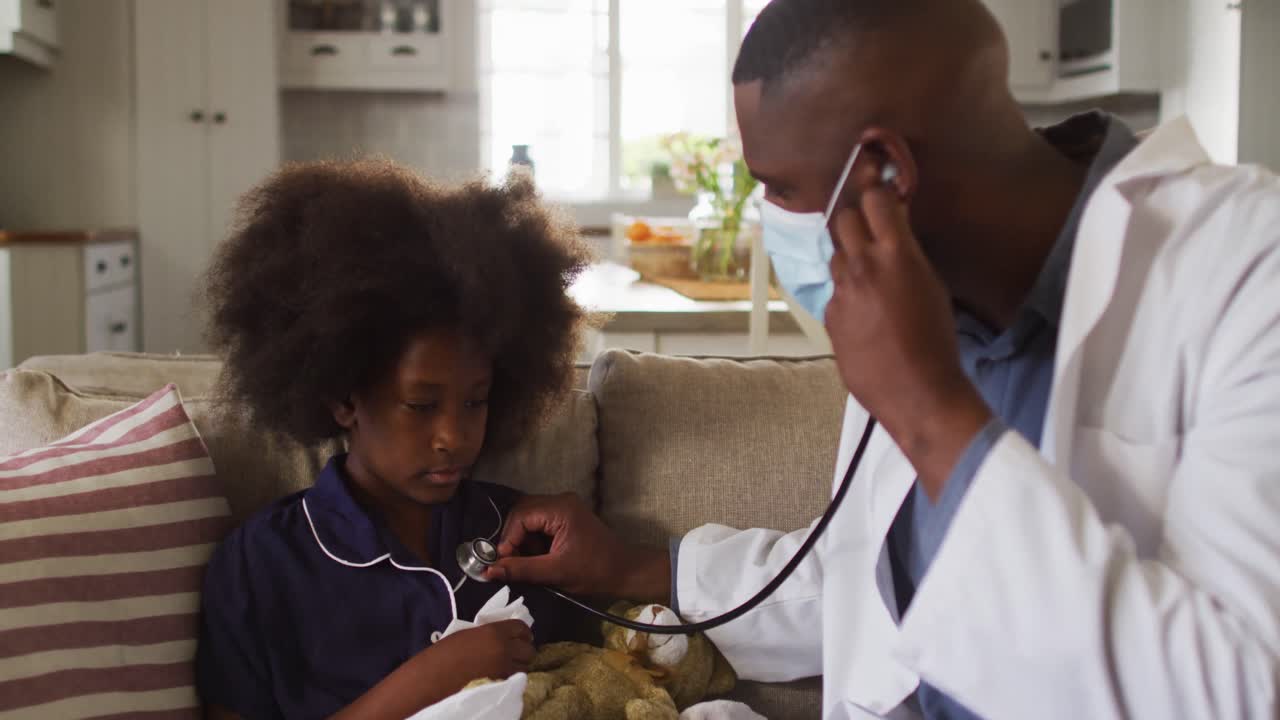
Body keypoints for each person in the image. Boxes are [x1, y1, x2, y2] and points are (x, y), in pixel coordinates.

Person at [482, 0, 1280, 717]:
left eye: (783, 190)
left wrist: (932, 410)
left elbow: (1235, 692)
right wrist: (628, 567)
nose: (775, 222)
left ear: (886, 173)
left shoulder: (1247, 270)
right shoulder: (914, 287)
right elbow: (868, 583)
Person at [195, 159, 593, 719]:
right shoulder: (262, 564)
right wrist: (426, 681)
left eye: (474, 401)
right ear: (342, 397)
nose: (453, 436)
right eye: (421, 406)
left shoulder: (521, 536)